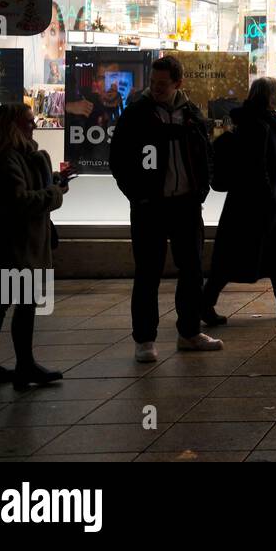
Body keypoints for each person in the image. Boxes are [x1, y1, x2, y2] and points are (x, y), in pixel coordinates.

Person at [110, 55, 218, 362]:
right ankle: (144, 339)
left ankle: (189, 332)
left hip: (186, 203)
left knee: (192, 270)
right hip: (150, 206)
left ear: (177, 83)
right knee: (148, 273)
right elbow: (119, 160)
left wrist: (200, 190)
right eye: (153, 83)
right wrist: (138, 195)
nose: (156, 89)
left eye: (162, 84)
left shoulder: (191, 115)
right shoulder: (137, 114)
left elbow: (205, 154)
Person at [0, 104, 67, 390]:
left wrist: (53, 184)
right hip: (13, 247)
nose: (33, 125)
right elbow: (20, 201)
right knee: (18, 306)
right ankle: (19, 365)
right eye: (27, 122)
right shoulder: (6, 158)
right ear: (12, 125)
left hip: (8, 246)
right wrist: (54, 193)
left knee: (2, 305)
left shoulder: (2, 155)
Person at [202, 77, 276, 323]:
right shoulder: (258, 125)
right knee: (234, 257)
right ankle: (204, 302)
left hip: (264, 200)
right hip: (256, 204)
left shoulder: (265, 121)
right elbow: (257, 166)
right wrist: (269, 198)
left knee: (275, 255)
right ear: (268, 96)